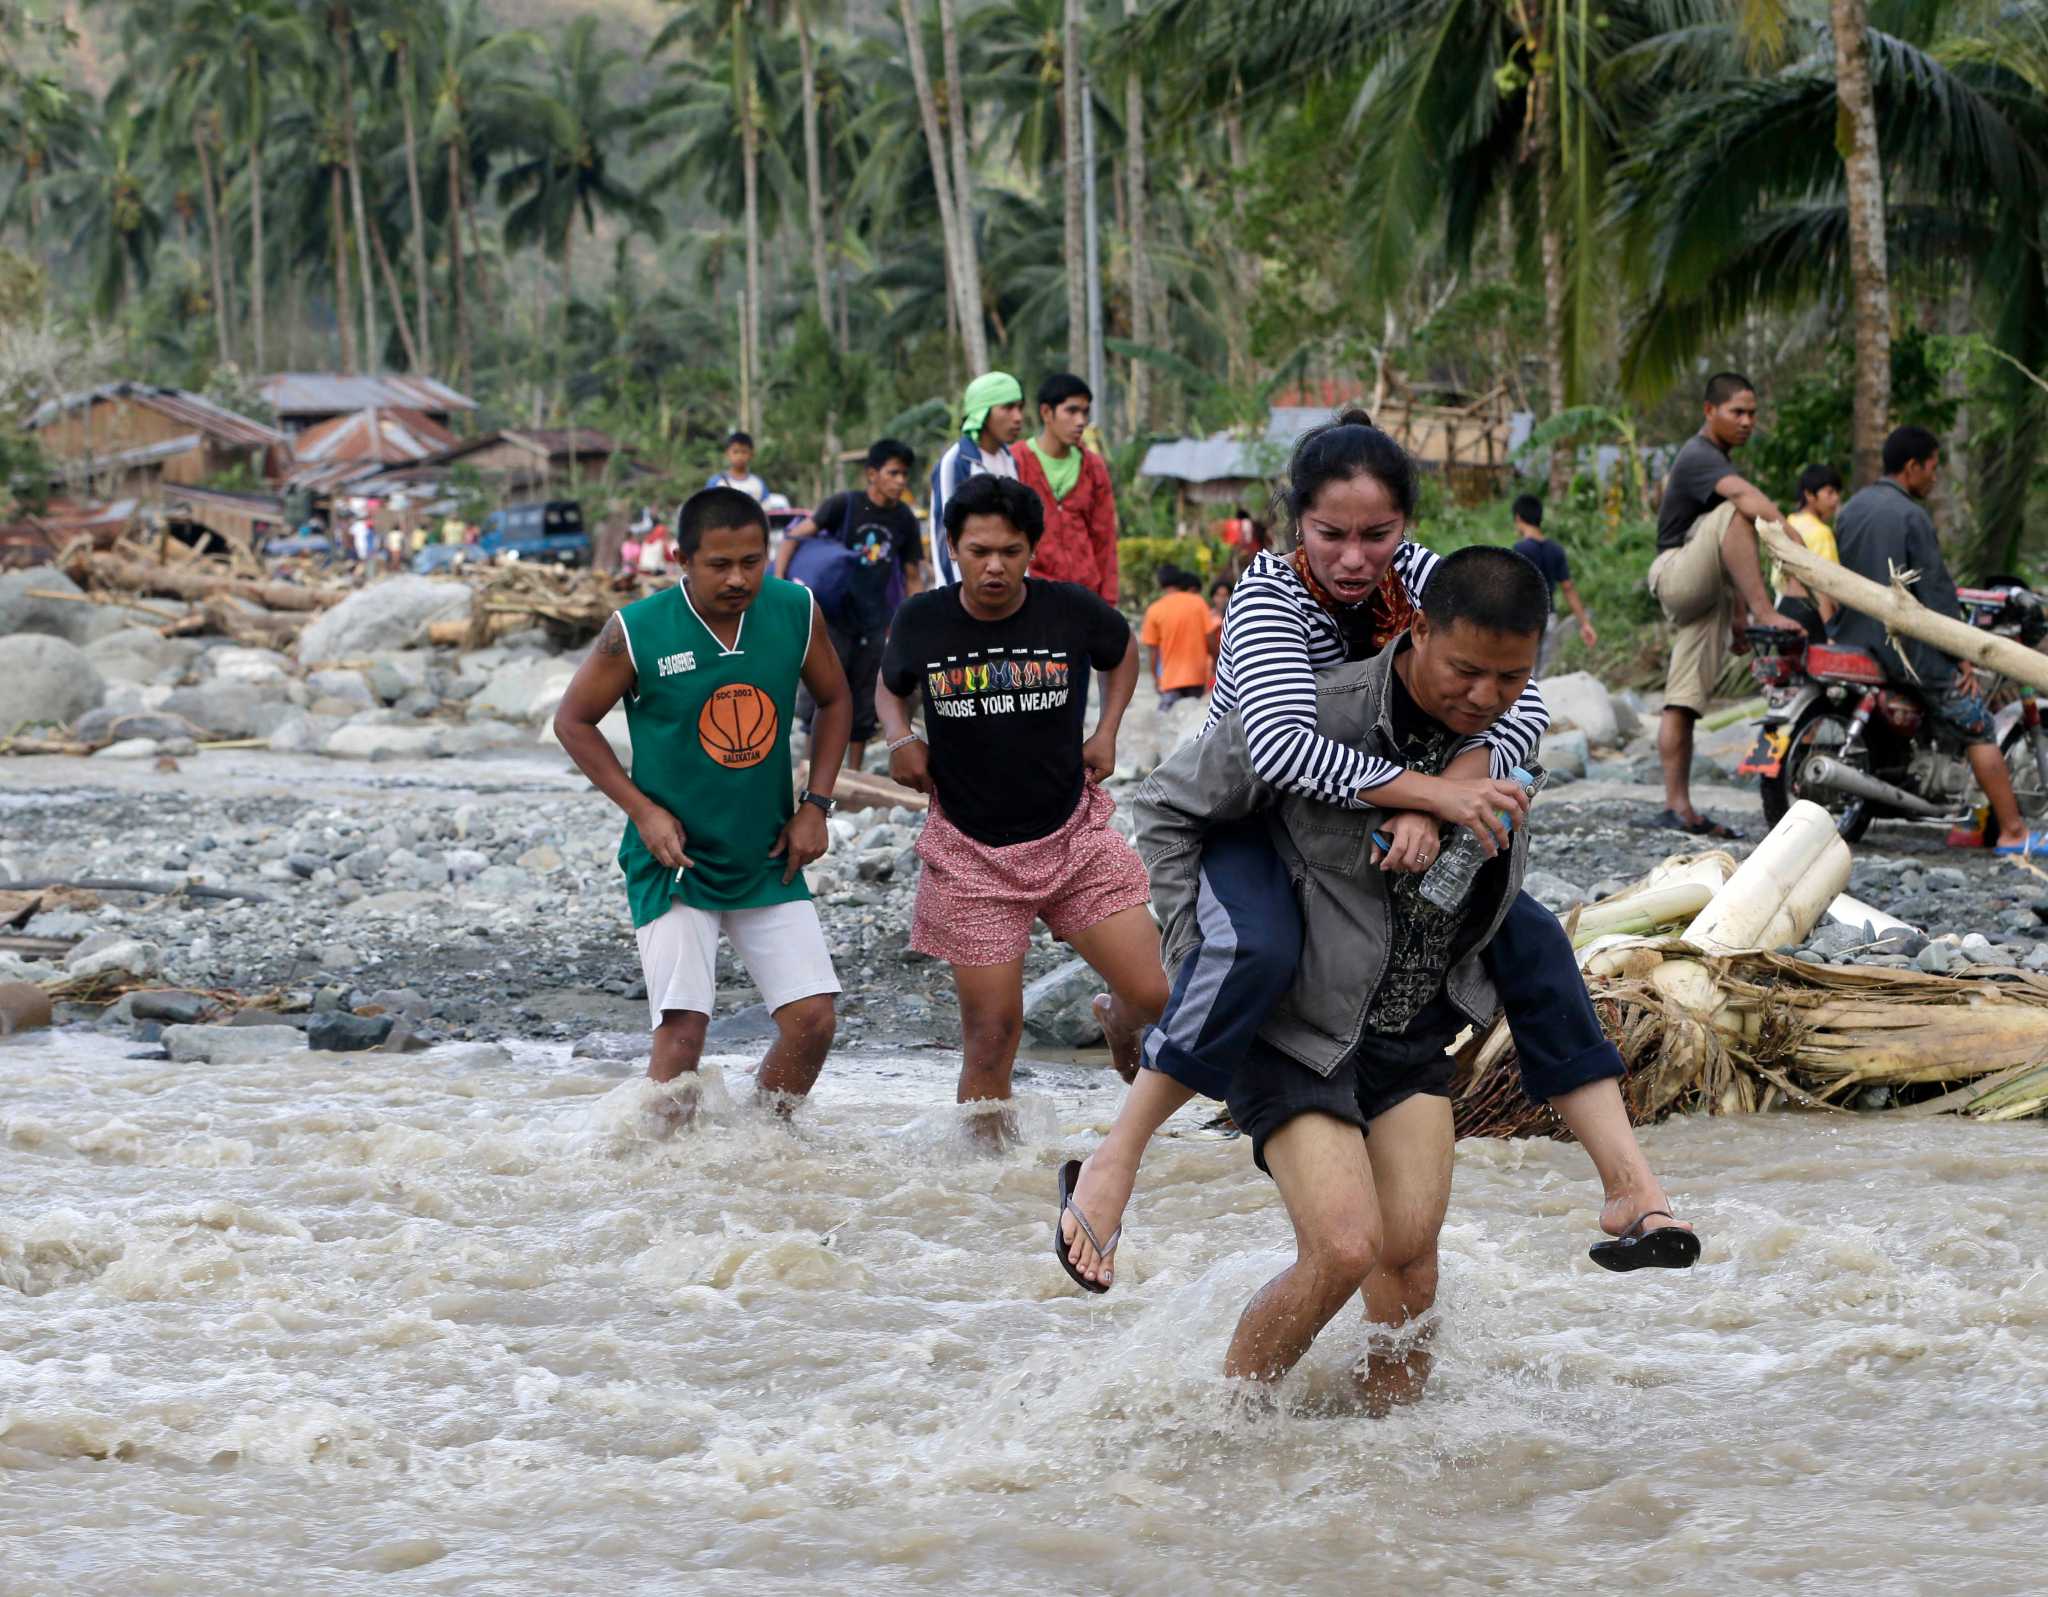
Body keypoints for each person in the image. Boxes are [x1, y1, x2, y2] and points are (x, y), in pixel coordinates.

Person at [1056, 412, 1686, 1296]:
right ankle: (1113, 1163)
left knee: (1533, 939)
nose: (1356, 559)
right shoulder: (1270, 596)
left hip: (1367, 823)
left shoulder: (1425, 581)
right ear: (1294, 526)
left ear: (1405, 528)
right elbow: (1280, 751)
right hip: (1253, 815)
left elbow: (1524, 706)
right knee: (1260, 950)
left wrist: (1465, 771)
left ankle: (1631, 1187)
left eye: (1378, 535)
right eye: (1332, 535)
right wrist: (1429, 794)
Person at [1132, 547, 1697, 1397]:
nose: (1483, 696)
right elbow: (1166, 810)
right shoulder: (1306, 717)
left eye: (1509, 678)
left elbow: (1494, 789)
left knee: (1412, 1267)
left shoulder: (1508, 731)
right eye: (1466, 670)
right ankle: (1224, 1433)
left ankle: (1392, 1472)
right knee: (1343, 1249)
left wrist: (1456, 781)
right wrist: (1194, 948)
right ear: (1419, 628)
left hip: (1408, 1026)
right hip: (1299, 1029)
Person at [875, 473, 1168, 1135]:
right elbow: (890, 686)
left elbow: (1122, 653)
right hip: (970, 853)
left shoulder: (1069, 609)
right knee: (991, 1036)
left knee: (1155, 995)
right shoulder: (923, 619)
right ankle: (988, 1189)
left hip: (1072, 835)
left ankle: (1116, 1018)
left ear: (1032, 548)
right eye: (979, 550)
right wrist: (900, 738)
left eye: (1010, 550)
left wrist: (1107, 729)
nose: (994, 565)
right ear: (953, 546)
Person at [551, 487, 854, 1112]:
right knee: (683, 1032)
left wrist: (815, 804)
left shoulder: (795, 609)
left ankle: (763, 1142)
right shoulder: (635, 630)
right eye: (719, 564)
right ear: (680, 557)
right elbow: (573, 722)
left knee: (813, 1020)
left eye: (753, 560)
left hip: (768, 850)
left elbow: (836, 699)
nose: (739, 578)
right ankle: (662, 1182)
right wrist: (643, 810)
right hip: (675, 860)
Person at [1832, 426, 2048, 855]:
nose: (1935, 478)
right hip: (1905, 650)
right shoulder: (1912, 516)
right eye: (1932, 468)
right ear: (1912, 467)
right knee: (1977, 722)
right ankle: (2012, 831)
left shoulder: (1852, 508)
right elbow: (1935, 595)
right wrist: (1961, 655)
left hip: (1852, 639)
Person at [1646, 371, 1800, 838]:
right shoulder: (1699, 455)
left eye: (1753, 413)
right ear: (1709, 411)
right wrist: (1792, 542)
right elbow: (1741, 503)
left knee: (1683, 701)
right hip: (1674, 571)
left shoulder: (1715, 459)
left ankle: (1679, 807)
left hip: (1705, 591)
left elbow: (1726, 555)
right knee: (1737, 511)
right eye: (1737, 412)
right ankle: (1766, 612)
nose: (1747, 421)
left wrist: (1735, 618)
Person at [776, 438, 926, 774]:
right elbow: (794, 536)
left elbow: (912, 572)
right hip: (833, 617)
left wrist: (915, 617)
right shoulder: (845, 504)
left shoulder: (904, 519)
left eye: (905, 474)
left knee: (864, 696)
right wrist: (782, 581)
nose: (901, 481)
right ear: (872, 473)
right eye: (893, 473)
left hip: (874, 619)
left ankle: (853, 775)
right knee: (822, 691)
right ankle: (813, 771)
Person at [1013, 373, 1120, 602]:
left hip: (1084, 595)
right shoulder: (1016, 461)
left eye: (1084, 412)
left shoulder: (1093, 466)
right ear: (1046, 413)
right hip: (1031, 594)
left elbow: (1105, 539)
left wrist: (1108, 603)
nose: (1081, 421)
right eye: (1071, 411)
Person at [929, 371, 1025, 588]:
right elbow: (947, 536)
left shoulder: (1010, 460)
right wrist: (958, 599)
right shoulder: (956, 462)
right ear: (982, 412)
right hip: (966, 599)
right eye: (1008, 407)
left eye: (1020, 407)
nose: (1018, 417)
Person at [1510, 493, 1595, 676]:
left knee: (1523, 674)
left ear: (1518, 518)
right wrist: (1585, 624)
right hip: (1549, 618)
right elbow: (1568, 588)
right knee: (1544, 675)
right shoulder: (1555, 549)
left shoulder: (1520, 549)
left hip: (1526, 619)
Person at [1776, 464, 1844, 640]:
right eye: (1829, 493)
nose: (1835, 499)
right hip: (1811, 613)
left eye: (1837, 493)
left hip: (1783, 608)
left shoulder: (1789, 523)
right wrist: (1831, 632)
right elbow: (1824, 586)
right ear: (1809, 495)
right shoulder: (1821, 533)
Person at [1140, 565, 1214, 708]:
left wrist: (1156, 679)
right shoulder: (1198, 602)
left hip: (1169, 681)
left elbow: (1153, 651)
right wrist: (1216, 660)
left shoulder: (1154, 609)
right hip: (1197, 678)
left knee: (1167, 723)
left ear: (1160, 583)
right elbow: (1210, 639)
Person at [706, 432, 768, 502]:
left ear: (751, 454)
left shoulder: (758, 483)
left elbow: (766, 509)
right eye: (735, 452)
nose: (739, 456)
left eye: (744, 452)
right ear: (727, 453)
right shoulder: (716, 482)